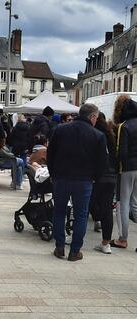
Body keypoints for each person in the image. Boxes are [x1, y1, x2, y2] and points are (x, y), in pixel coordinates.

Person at [47, 103, 107, 261]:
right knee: (81, 215)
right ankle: (75, 251)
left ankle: (59, 247)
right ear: (92, 117)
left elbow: (50, 153)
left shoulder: (60, 129)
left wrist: (53, 173)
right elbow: (102, 162)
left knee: (59, 212)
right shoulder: (98, 135)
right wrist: (95, 177)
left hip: (61, 177)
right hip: (84, 180)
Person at [89, 112, 117, 254]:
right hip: (111, 176)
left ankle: (75, 237)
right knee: (107, 210)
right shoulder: (110, 135)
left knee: (84, 206)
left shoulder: (93, 135)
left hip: (97, 176)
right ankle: (106, 243)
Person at [112, 95, 137, 248]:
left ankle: (123, 238)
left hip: (126, 168)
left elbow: (122, 151)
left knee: (124, 203)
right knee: (135, 203)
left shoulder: (124, 126)